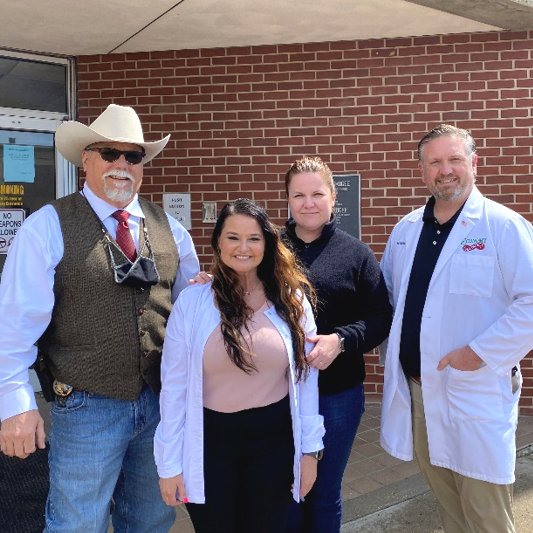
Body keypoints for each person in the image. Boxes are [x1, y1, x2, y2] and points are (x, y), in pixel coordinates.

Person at [0, 103, 200, 532]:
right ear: (86, 161)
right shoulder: (47, 226)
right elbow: (12, 325)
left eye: (134, 156)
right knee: (76, 523)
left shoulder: (172, 230)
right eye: (110, 153)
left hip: (160, 406)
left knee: (149, 520)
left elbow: (190, 318)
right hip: (85, 405)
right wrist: (14, 403)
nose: (122, 165)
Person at [380, 124, 533, 532]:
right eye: (434, 162)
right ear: (422, 171)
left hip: (475, 390)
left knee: (486, 514)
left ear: (474, 164)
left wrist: (479, 353)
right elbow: (388, 300)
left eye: (454, 160)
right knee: (448, 507)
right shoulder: (405, 231)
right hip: (420, 392)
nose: (444, 170)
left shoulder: (502, 226)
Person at [155, 198, 325, 533]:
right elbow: (174, 389)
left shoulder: (291, 300)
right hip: (209, 446)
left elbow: (306, 383)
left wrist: (310, 452)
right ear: (218, 242)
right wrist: (169, 464)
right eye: (233, 237)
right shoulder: (192, 303)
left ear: (267, 243)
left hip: (274, 445)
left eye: (254, 238)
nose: (243, 247)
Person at [282, 156, 393, 533]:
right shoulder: (269, 250)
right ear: (288, 200)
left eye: (317, 194)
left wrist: (341, 341)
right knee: (286, 490)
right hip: (277, 394)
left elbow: (380, 317)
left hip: (338, 394)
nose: (308, 203)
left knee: (324, 492)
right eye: (299, 195)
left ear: (332, 198)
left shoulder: (356, 254)